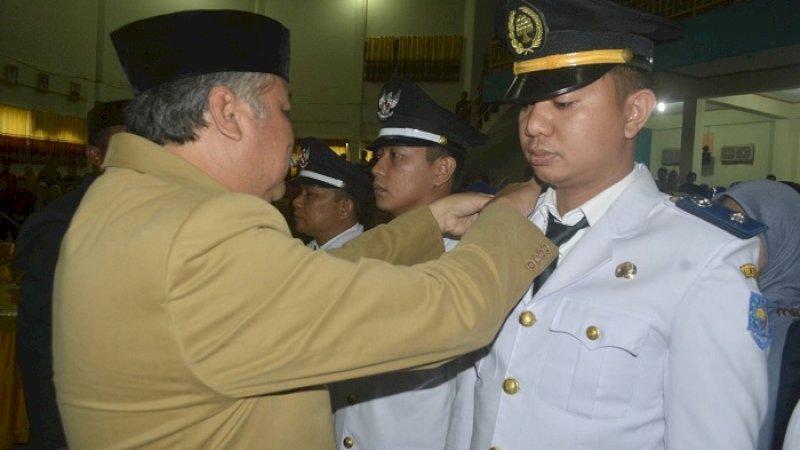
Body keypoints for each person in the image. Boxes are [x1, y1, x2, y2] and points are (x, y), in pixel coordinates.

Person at [51, 10, 557, 449]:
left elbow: (297, 285)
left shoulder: (124, 200)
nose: (291, 132)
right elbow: (449, 313)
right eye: (284, 108)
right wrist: (507, 219)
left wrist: (428, 224)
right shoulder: (203, 229)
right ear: (228, 113)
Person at [453, 1, 769, 449]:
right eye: (527, 105)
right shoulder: (498, 228)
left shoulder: (702, 257)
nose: (534, 125)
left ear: (635, 113)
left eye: (563, 103)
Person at [330, 76, 489, 450]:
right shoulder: (376, 247)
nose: (376, 169)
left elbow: (468, 397)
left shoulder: (463, 263)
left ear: (441, 170)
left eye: (395, 156)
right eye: (378, 156)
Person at [13, 99, 128, 450]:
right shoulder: (60, 225)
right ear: (95, 156)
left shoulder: (157, 216)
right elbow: (42, 350)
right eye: (126, 147)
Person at [718, 180, 800, 450]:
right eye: (722, 225)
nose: (729, 239)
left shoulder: (793, 342)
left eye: (745, 226)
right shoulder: (713, 312)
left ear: (785, 233)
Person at [290, 137, 372, 250]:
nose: (296, 202)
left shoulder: (362, 258)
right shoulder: (307, 252)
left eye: (310, 194)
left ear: (344, 208)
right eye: (300, 192)